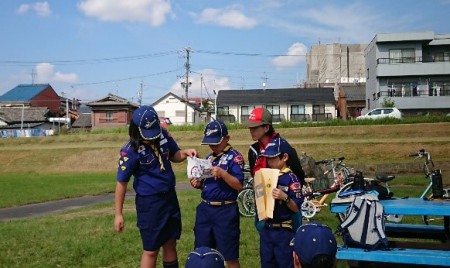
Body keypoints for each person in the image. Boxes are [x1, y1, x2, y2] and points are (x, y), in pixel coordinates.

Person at [114, 105, 197, 268]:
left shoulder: (163, 135)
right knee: (151, 249)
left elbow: (174, 155)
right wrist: (118, 214)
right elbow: (121, 183)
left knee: (170, 243)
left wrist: (186, 152)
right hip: (150, 204)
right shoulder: (130, 151)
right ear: (136, 129)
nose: (152, 137)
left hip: (169, 198)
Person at [189, 120, 245, 268]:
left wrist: (223, 173)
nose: (213, 146)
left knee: (230, 256)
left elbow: (239, 185)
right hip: (206, 210)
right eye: (210, 143)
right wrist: (199, 184)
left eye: (216, 142)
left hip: (225, 211)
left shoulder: (235, 157)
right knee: (203, 254)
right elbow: (208, 185)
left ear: (227, 138)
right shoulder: (208, 158)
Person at [244, 107, 305, 231]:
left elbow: (298, 175)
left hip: (285, 209)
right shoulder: (253, 150)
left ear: (266, 127)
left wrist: (286, 196)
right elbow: (254, 177)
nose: (251, 130)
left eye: (255, 127)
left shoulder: (283, 147)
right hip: (263, 205)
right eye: (250, 127)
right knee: (265, 240)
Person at [258, 136, 303, 267]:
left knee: (284, 264)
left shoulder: (291, 178)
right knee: (266, 263)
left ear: (284, 157)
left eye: (273, 158)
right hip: (267, 229)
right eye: (268, 158)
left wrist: (285, 197)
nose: (269, 161)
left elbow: (296, 208)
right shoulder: (266, 176)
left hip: (283, 231)